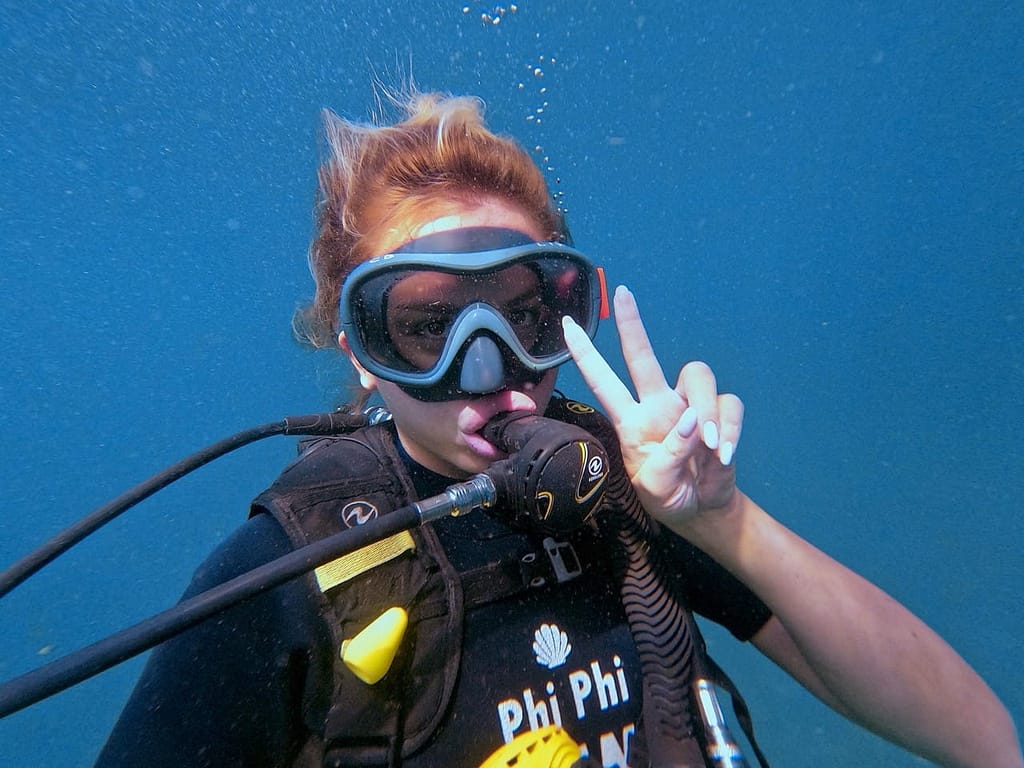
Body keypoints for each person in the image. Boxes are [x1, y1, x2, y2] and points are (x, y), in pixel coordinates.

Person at [95, 91, 1022, 768]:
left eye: (523, 315)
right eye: (428, 327)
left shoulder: (626, 492)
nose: (491, 371)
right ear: (362, 350)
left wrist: (721, 520)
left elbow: (980, 740)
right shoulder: (289, 574)